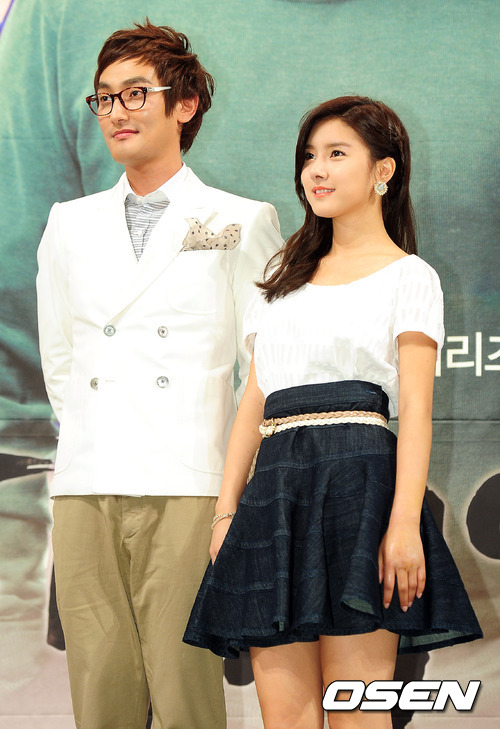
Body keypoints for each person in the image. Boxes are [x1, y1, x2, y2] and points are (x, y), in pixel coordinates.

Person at [183, 96, 483, 729]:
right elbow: (253, 401)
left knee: (358, 715)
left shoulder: (410, 277)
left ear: (383, 171)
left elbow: (417, 413)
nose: (316, 170)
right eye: (309, 157)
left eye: (337, 153)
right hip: (275, 498)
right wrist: (226, 511)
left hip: (360, 492)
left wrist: (403, 524)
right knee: (285, 719)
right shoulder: (280, 277)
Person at [36, 20, 283, 729]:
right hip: (87, 479)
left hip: (190, 480)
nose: (117, 110)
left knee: (185, 691)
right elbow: (61, 357)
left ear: (185, 104)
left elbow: (264, 364)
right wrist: (89, 435)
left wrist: (233, 491)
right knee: (99, 688)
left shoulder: (240, 220)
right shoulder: (69, 223)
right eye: (105, 97)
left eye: (136, 93)